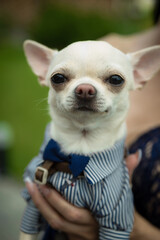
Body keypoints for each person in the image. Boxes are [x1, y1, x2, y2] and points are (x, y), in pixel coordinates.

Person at [25, 4, 160, 240]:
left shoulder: (128, 61)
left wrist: (129, 229)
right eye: (60, 78)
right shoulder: (99, 49)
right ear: (44, 73)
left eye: (114, 80)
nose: (85, 89)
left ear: (139, 74)